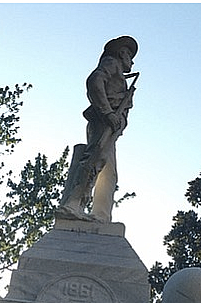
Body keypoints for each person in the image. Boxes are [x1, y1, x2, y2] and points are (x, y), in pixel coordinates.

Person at [57, 36, 139, 223]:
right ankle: (73, 204)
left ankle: (101, 215)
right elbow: (94, 81)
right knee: (94, 159)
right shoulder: (111, 63)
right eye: (130, 55)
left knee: (108, 171)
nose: (132, 61)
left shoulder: (118, 72)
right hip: (104, 121)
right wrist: (108, 112)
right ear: (122, 53)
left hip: (111, 124)